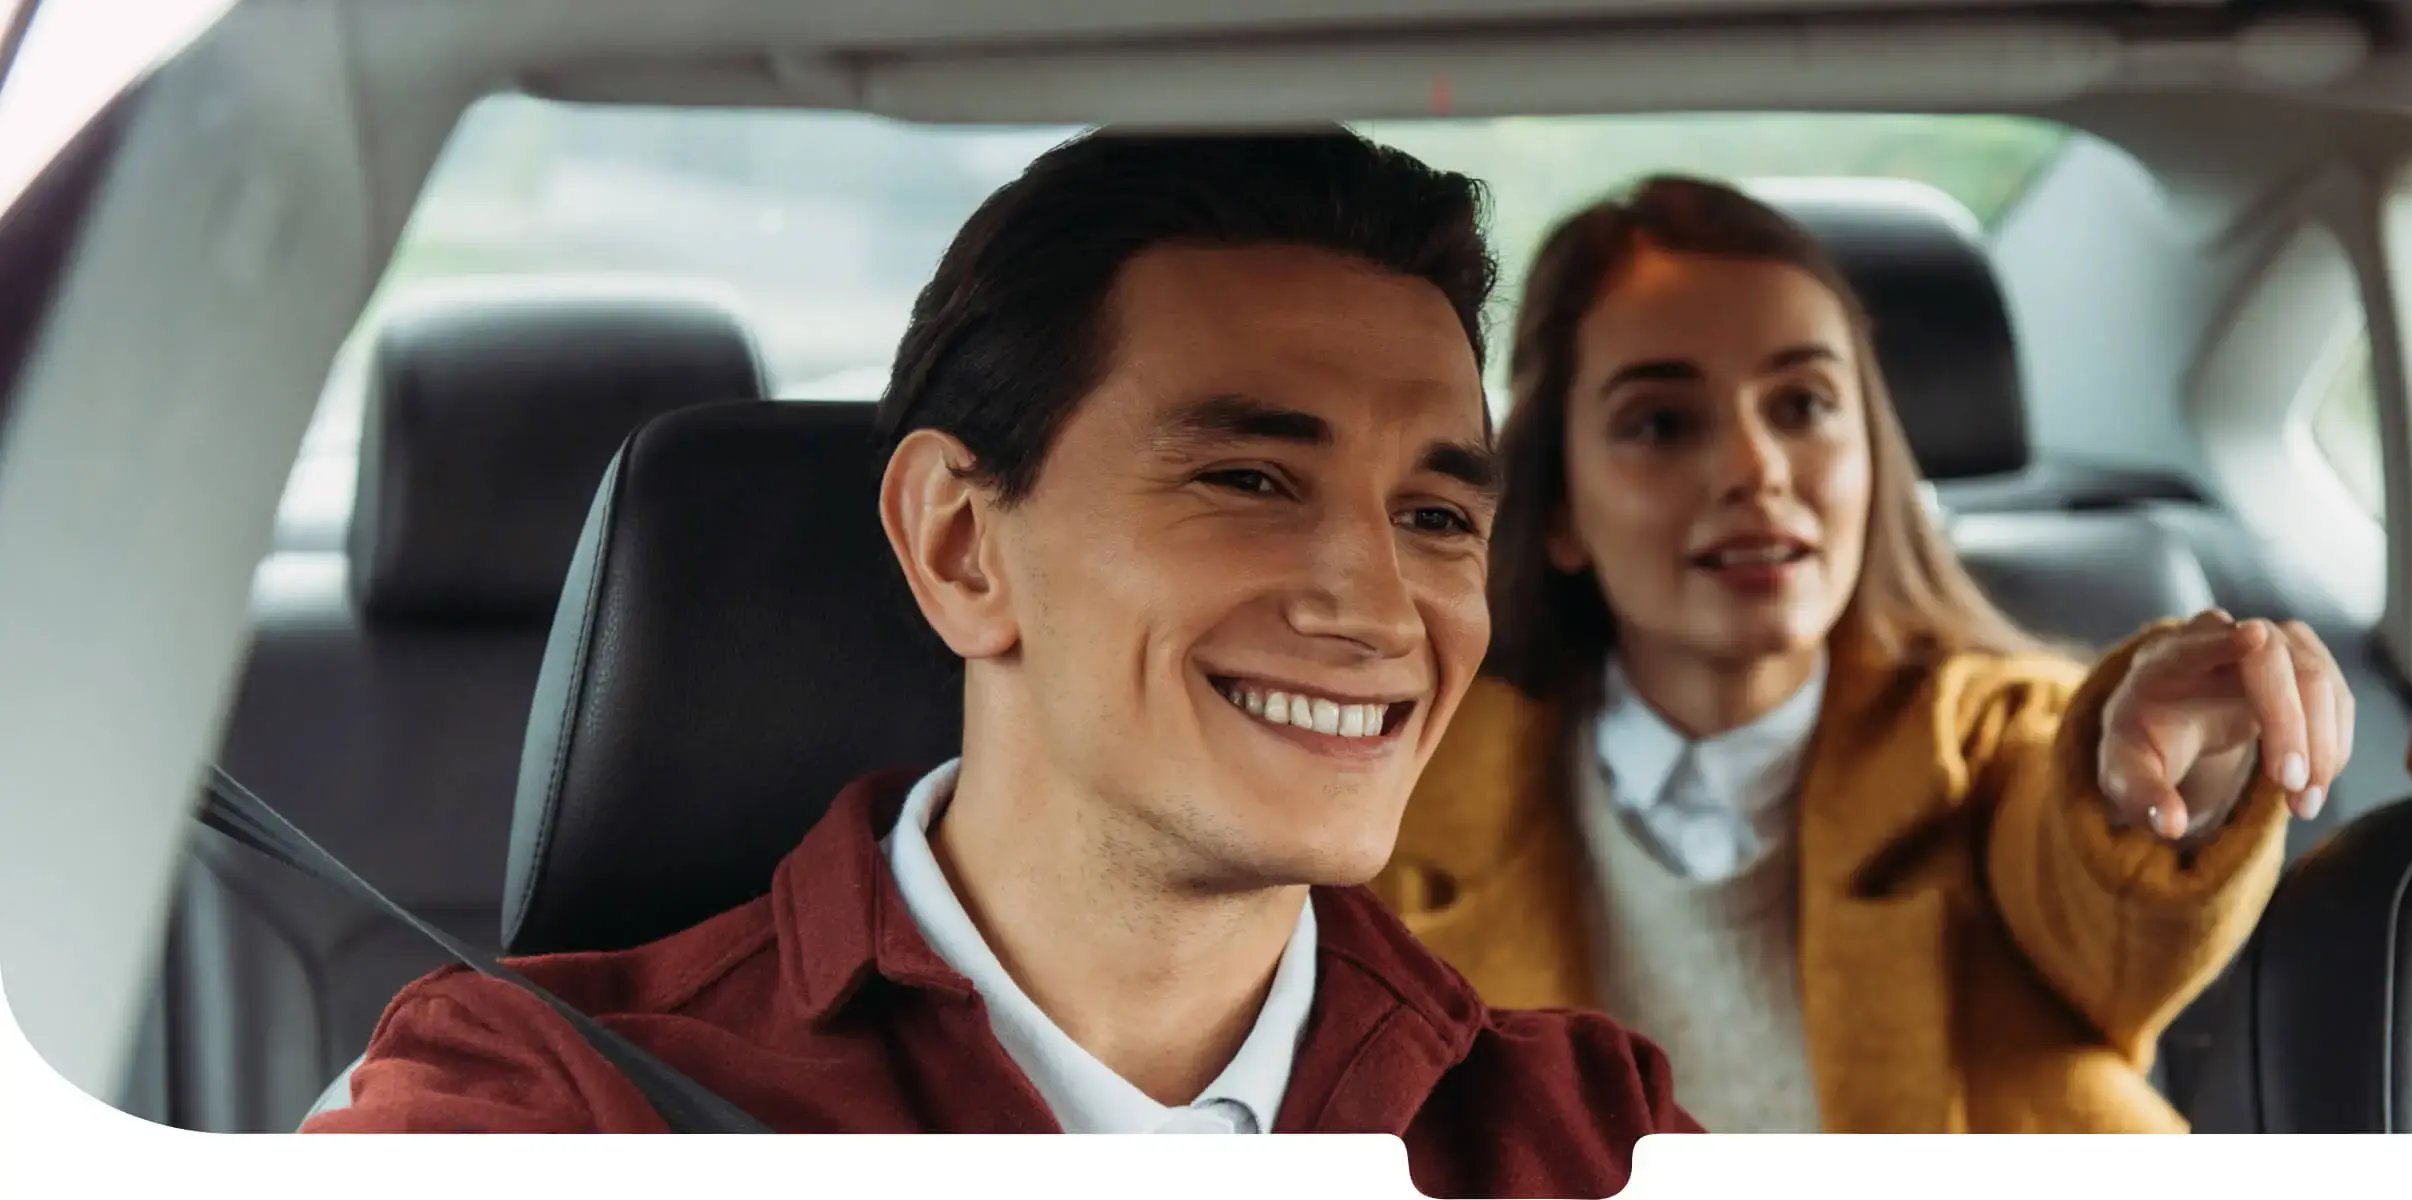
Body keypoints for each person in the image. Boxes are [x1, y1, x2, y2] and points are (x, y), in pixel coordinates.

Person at [304, 129, 1699, 1197]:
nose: (1381, 611)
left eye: (1438, 517)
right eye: (1251, 480)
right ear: (963, 545)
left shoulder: (1585, 1131)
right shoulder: (546, 1102)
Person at [1370, 176, 2355, 1135]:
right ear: (1558, 513)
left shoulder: (1994, 741)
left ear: (1871, 458)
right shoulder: (1407, 794)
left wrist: (2152, 771)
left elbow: (2094, 883)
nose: (1756, 470)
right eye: (1662, 423)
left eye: (1801, 406)